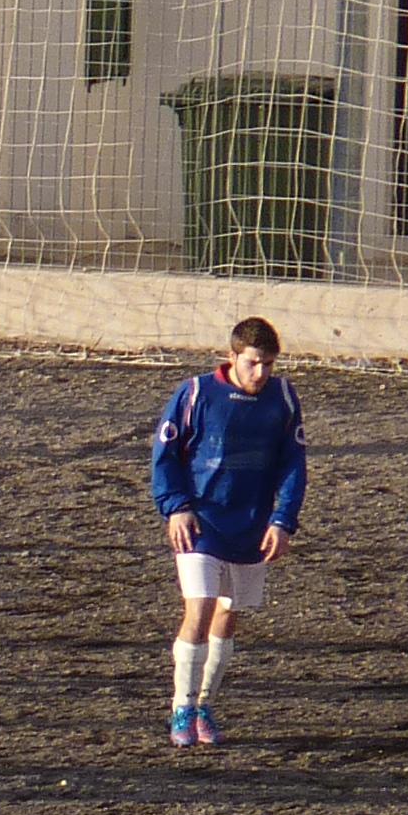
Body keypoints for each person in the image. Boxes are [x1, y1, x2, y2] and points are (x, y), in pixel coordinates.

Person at [149, 314, 306, 749]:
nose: (262, 373)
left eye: (269, 364)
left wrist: (283, 519)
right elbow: (166, 455)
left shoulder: (283, 399)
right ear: (232, 356)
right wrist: (176, 507)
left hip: (252, 526)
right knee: (197, 611)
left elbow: (294, 463)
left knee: (228, 615)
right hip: (202, 522)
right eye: (254, 363)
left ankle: (204, 705)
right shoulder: (196, 393)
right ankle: (181, 707)